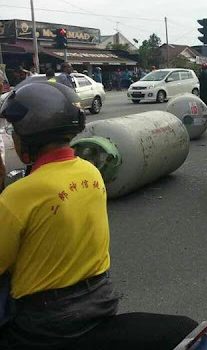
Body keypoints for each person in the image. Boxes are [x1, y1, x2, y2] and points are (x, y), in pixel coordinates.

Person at [0, 82, 118, 348]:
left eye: (13, 130)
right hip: (101, 297)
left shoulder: (20, 193)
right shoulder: (91, 171)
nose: (13, 137)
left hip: (46, 319)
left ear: (28, 135)